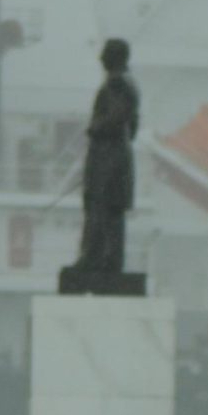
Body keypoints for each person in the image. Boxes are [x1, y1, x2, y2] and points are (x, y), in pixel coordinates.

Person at [75, 38, 140, 275]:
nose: (100, 58)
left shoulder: (117, 85)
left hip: (108, 157)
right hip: (116, 155)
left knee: (100, 208)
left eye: (104, 53)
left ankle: (94, 259)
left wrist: (94, 128)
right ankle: (107, 260)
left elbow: (115, 118)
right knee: (111, 212)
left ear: (113, 57)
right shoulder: (127, 85)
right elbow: (133, 126)